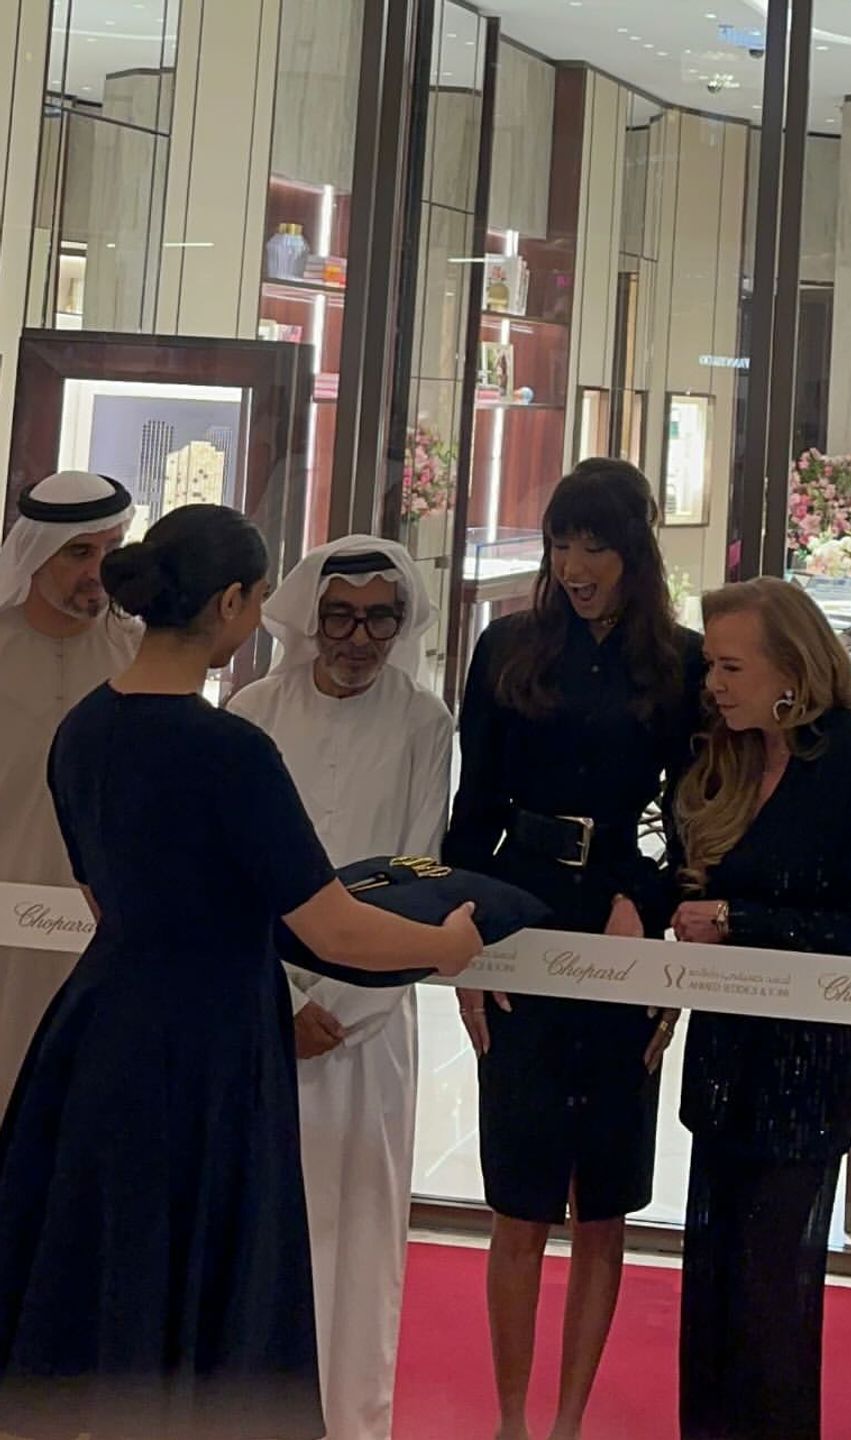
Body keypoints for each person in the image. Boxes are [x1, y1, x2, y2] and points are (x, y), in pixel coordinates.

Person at [0, 504, 481, 1440]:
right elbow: (333, 925)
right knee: (206, 1278)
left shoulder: (86, 727)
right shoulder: (230, 750)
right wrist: (446, 946)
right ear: (229, 603)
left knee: (108, 1264)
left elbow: (103, 898)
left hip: (98, 1027)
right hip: (210, 1040)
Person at [444, 458, 704, 1440]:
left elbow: (691, 816)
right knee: (518, 1198)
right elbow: (473, 813)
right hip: (518, 906)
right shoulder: (508, 646)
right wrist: (464, 936)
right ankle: (512, 1421)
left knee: (604, 1203)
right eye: (563, 541)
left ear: (635, 548)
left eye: (597, 543)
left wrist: (650, 906)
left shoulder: (679, 662)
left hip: (625, 920)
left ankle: (567, 1424)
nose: (577, 563)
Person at [229, 535, 452, 1440]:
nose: (359, 637)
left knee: (355, 1251)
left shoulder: (423, 724)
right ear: (307, 619)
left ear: (403, 623)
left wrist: (345, 1007)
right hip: (254, 1017)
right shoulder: (252, 709)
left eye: (379, 618)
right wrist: (280, 1004)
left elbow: (418, 875)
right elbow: (228, 870)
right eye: (340, 617)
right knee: (250, 1232)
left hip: (369, 1027)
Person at [669, 578, 851, 1440]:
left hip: (806, 1072)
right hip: (725, 1063)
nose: (715, 684)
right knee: (715, 1291)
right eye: (709, 667)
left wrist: (737, 920)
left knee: (773, 1302)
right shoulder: (726, 753)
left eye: (731, 666)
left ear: (792, 668)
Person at [0, 469, 140, 1116]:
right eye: (81, 552)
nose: (100, 569)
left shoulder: (139, 656)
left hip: (102, 928)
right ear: (35, 553)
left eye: (114, 549)